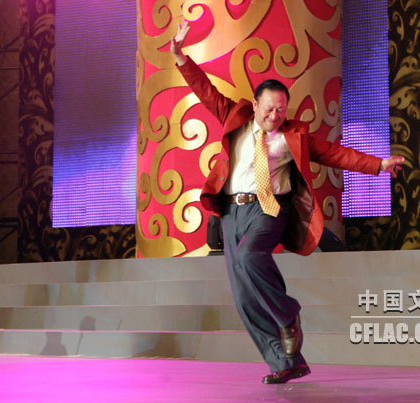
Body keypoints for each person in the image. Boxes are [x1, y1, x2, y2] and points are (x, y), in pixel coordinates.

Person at [170, 20, 404, 384]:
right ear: (254, 105)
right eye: (268, 109)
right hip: (232, 212)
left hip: (269, 209)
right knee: (244, 296)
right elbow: (204, 89)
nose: (274, 116)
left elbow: (335, 154)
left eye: (280, 110)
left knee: (250, 256)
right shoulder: (234, 116)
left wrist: (379, 164)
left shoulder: (294, 135)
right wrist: (180, 56)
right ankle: (285, 361)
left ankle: (288, 313)